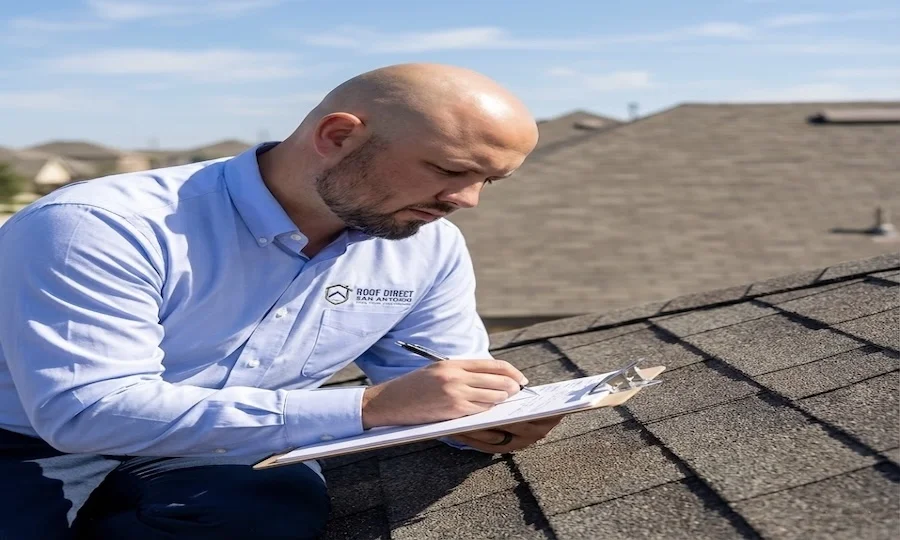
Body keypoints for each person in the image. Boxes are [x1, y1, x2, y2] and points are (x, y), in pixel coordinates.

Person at [0, 63, 558, 539]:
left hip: (227, 447)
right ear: (338, 136)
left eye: (491, 181)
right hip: (26, 444)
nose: (466, 200)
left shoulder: (425, 247)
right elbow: (88, 411)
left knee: (268, 510)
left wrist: (475, 419)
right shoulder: (102, 226)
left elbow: (434, 382)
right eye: (452, 170)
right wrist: (367, 409)